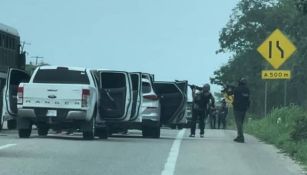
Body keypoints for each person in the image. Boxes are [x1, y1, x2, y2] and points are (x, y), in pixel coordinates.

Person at [233, 78, 250, 143]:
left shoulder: (237, 89)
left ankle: (241, 137)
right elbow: (247, 99)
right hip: (244, 108)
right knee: (240, 123)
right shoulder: (247, 90)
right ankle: (239, 136)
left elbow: (231, 94)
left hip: (237, 108)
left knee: (238, 123)